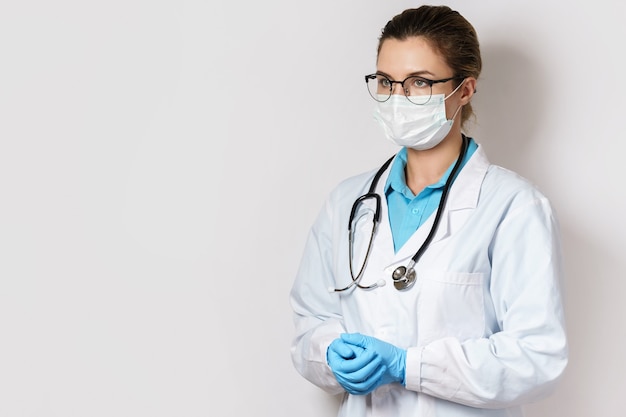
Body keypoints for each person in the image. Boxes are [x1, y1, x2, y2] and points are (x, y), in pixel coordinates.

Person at [289, 5, 568, 417]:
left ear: (465, 90)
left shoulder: (514, 207)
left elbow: (536, 356)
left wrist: (408, 367)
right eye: (386, 81)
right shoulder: (347, 203)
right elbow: (309, 321)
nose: (397, 98)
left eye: (419, 82)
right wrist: (329, 352)